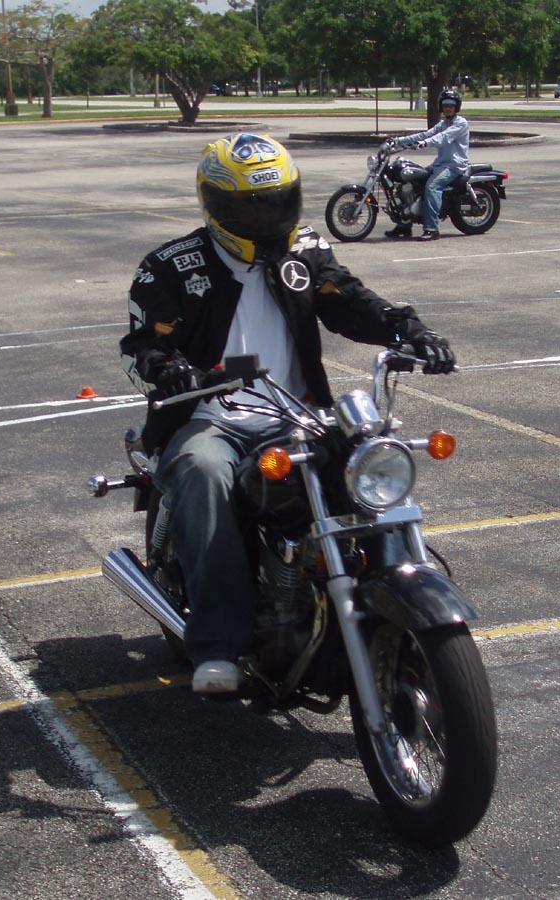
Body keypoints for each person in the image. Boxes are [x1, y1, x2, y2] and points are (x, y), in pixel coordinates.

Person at [120, 133, 456, 694]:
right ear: (215, 205)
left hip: (298, 413)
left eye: (277, 202)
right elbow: (140, 347)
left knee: (370, 457)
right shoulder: (170, 266)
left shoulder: (305, 250)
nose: (267, 217)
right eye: (251, 207)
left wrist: (407, 329)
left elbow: (350, 300)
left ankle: (386, 587)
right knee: (203, 472)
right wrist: (169, 368)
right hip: (210, 418)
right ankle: (218, 644)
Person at [385, 87, 471, 241]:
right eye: (445, 105)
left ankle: (432, 228)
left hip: (454, 166)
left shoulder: (461, 123)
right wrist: (399, 141)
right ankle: (404, 225)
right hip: (440, 164)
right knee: (410, 182)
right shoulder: (442, 123)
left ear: (456, 107)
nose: (448, 108)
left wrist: (425, 143)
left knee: (432, 187)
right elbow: (425, 134)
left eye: (451, 105)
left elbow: (443, 137)